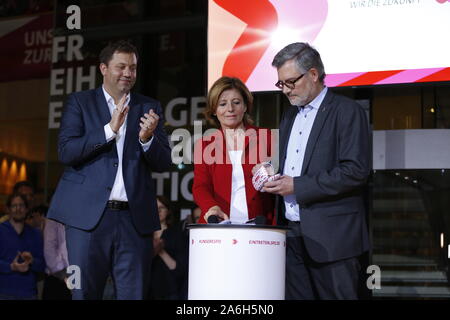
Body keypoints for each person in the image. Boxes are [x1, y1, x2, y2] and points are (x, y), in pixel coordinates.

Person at [47, 40, 171, 300]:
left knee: (133, 294)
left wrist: (147, 138)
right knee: (83, 293)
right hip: (86, 220)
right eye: (121, 66)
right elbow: (66, 152)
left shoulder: (149, 107)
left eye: (133, 68)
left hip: (133, 221)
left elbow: (163, 162)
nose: (128, 73)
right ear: (103, 68)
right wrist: (109, 130)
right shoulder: (79, 102)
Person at [263, 42, 370, 299]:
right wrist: (270, 170)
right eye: (281, 84)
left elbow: (355, 171)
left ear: (313, 74)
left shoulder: (347, 111)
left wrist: (297, 186)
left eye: (290, 82)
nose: (286, 90)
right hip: (291, 233)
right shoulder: (289, 116)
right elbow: (291, 163)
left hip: (333, 239)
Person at [193, 76, 275, 224]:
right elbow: (200, 186)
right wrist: (211, 207)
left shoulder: (267, 137)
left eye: (236, 102)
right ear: (214, 110)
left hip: (259, 225)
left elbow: (281, 176)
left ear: (245, 106)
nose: (230, 109)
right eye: (222, 104)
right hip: (219, 225)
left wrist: (270, 173)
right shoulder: (205, 145)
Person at [0, 194, 45, 299]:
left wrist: (32, 261)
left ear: (26, 209)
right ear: (8, 209)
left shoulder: (35, 234)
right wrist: (11, 267)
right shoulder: (1, 231)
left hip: (29, 293)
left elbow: (43, 265)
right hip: (3, 292)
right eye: (14, 206)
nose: (18, 209)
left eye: (21, 205)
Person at [148, 196, 188, 300]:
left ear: (168, 211)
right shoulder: (143, 234)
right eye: (155, 207)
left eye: (162, 207)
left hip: (169, 292)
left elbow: (179, 269)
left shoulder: (177, 234)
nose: (158, 210)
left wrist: (160, 250)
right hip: (145, 290)